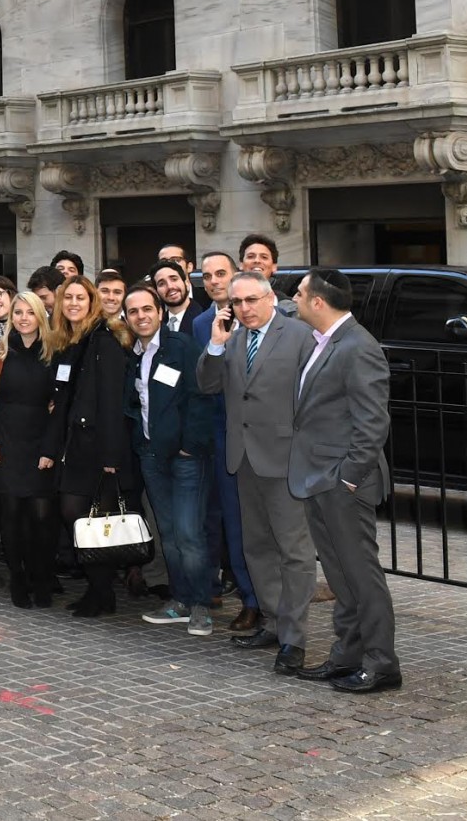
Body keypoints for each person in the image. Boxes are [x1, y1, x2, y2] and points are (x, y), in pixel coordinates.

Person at [198, 270, 317, 673]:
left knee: (294, 551)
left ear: (270, 299)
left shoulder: (299, 336)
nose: (244, 308)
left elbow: (315, 397)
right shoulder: (232, 339)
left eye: (251, 300)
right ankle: (272, 619)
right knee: (257, 547)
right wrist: (215, 344)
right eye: (237, 302)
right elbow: (207, 385)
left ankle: (294, 638)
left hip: (285, 460)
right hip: (244, 459)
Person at [288, 269, 400, 692]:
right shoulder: (324, 342)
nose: (294, 299)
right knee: (340, 575)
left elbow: (373, 423)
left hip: (342, 483)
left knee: (361, 575)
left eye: (300, 293)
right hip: (319, 478)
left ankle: (381, 662)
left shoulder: (358, 346)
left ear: (318, 301)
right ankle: (347, 655)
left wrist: (349, 479)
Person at [125, 284, 220, 636]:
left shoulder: (181, 347)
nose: (141, 316)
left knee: (189, 533)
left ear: (160, 312)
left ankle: (201, 605)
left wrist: (190, 446)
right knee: (168, 534)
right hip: (151, 456)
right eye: (133, 311)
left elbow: (201, 397)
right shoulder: (134, 355)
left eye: (147, 309)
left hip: (186, 458)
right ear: (127, 318)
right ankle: (180, 600)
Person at [48, 277, 133, 617]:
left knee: (89, 519)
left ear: (92, 301)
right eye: (68, 297)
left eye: (80, 297)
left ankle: (102, 592)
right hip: (74, 444)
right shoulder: (68, 341)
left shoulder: (104, 341)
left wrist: (112, 456)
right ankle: (97, 590)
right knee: (78, 517)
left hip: (98, 447)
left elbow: (112, 402)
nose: (73, 303)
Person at [0, 290, 59, 607]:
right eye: (18, 312)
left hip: (41, 443)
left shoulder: (54, 351)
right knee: (12, 515)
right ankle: (18, 579)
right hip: (5, 443)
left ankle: (42, 577)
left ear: (41, 316)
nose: (23, 318)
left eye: (30, 312)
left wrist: (51, 447)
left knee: (42, 516)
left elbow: (62, 401)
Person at [192, 251, 259, 635]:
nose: (215, 281)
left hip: (263, 438)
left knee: (264, 525)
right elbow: (201, 380)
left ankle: (271, 600)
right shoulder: (202, 324)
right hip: (220, 434)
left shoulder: (263, 317)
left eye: (222, 273)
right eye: (208, 276)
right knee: (232, 522)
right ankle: (250, 600)